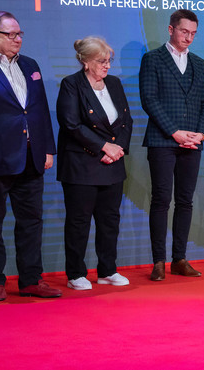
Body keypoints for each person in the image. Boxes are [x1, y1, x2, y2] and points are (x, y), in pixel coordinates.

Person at [0, 11, 61, 301]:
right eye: (11, 34)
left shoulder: (30, 64)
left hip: (30, 156)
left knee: (31, 222)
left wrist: (47, 147)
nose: (18, 39)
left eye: (20, 34)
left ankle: (31, 279)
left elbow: (38, 109)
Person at [139, 9, 204, 281]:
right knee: (161, 200)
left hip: (192, 143)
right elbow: (149, 99)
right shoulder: (153, 59)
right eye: (184, 31)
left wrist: (201, 134)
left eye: (193, 33)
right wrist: (174, 132)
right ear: (171, 30)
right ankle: (158, 261)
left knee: (185, 201)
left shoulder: (199, 63)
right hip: (162, 140)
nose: (189, 37)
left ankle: (179, 259)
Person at [56, 36, 133, 290]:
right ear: (86, 62)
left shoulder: (114, 83)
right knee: (79, 221)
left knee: (110, 220)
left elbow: (126, 121)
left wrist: (117, 150)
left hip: (112, 162)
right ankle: (76, 273)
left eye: (109, 60)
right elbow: (71, 124)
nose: (107, 65)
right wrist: (103, 147)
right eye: (102, 61)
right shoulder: (71, 84)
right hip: (82, 164)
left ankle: (107, 270)